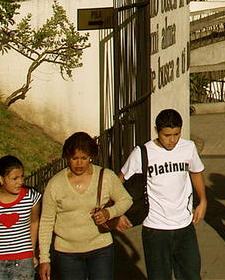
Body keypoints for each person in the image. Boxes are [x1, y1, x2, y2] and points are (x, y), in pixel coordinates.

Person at [118, 109, 206, 280]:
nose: (172, 140)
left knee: (191, 275)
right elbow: (118, 182)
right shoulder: (142, 153)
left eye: (176, 134)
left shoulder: (188, 147)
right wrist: (118, 213)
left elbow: (196, 172)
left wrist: (203, 201)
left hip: (184, 226)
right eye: (167, 135)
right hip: (155, 229)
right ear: (156, 130)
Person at [37, 132, 132, 280]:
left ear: (91, 157)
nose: (79, 163)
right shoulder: (55, 184)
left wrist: (109, 213)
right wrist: (44, 258)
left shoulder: (106, 176)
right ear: (67, 158)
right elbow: (46, 222)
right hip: (66, 252)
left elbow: (126, 200)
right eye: (75, 158)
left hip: (101, 248)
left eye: (84, 158)